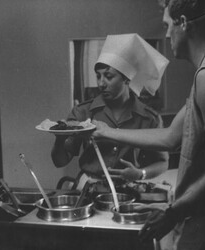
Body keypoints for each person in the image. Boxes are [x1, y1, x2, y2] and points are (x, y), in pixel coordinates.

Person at [92, 0, 205, 249]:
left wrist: (172, 213)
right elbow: (170, 137)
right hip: (203, 215)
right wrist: (107, 131)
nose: (166, 34)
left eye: (167, 25)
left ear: (184, 23)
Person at [51, 33, 169, 191]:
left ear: (127, 78)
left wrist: (141, 173)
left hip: (127, 192)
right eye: (98, 76)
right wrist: (59, 140)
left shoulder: (149, 118)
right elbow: (59, 161)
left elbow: (162, 162)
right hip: (87, 191)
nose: (101, 83)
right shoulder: (83, 112)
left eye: (108, 76)